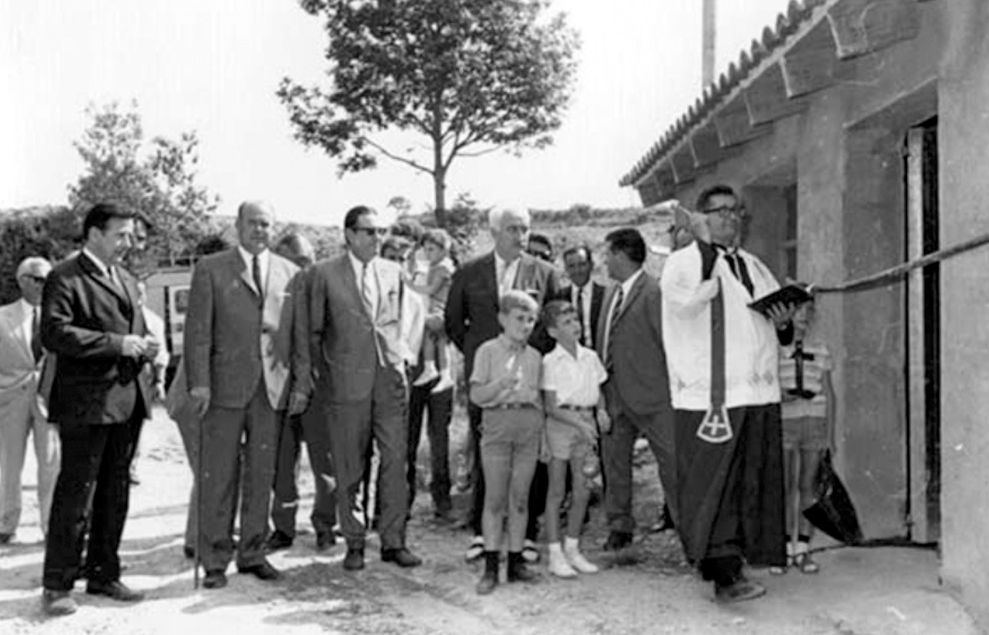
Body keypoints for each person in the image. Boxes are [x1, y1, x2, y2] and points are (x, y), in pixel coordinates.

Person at [660, 184, 793, 603]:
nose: (731, 218)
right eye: (721, 211)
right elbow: (684, 304)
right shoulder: (684, 262)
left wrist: (783, 321)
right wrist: (702, 245)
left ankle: (739, 562)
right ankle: (723, 573)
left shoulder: (754, 264)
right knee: (715, 484)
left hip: (756, 392)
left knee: (749, 482)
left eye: (736, 211)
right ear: (702, 217)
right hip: (710, 397)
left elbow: (770, 324)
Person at [184, 201, 309, 590]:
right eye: (252, 223)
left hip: (271, 388)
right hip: (223, 387)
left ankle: (253, 553)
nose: (259, 230)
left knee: (262, 473)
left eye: (266, 224)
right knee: (219, 475)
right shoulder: (211, 268)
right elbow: (197, 331)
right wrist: (200, 382)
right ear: (237, 226)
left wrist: (301, 383)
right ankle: (214, 559)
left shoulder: (290, 273)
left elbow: (298, 334)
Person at [40, 203, 158, 615]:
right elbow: (55, 333)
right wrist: (117, 344)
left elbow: (132, 330)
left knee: (115, 493)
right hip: (86, 405)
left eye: (130, 235)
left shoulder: (125, 277)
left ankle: (104, 573)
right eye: (120, 235)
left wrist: (144, 346)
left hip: (126, 400)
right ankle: (57, 585)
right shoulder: (65, 276)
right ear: (93, 233)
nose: (128, 243)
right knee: (77, 495)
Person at [445, 206, 564, 563]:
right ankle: (484, 533)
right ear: (494, 232)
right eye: (512, 228)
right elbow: (454, 323)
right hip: (488, 379)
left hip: (530, 381)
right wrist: (483, 354)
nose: (521, 236)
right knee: (486, 453)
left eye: (524, 228)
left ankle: (525, 535)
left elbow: (555, 323)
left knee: (531, 456)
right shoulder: (469, 272)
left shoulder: (544, 273)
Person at [307, 205, 421, 571]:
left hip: (389, 381)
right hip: (345, 386)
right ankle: (354, 542)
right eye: (369, 231)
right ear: (350, 235)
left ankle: (393, 541)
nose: (377, 238)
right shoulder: (324, 274)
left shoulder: (392, 271)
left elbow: (399, 322)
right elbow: (314, 333)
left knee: (395, 462)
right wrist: (324, 379)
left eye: (380, 231)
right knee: (349, 467)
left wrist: (401, 361)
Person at [595, 228, 676, 552]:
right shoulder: (612, 293)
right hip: (613, 395)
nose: (604, 261)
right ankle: (619, 526)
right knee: (614, 464)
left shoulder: (654, 292)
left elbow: (669, 344)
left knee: (671, 463)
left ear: (620, 254)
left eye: (607, 254)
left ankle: (688, 529)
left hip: (653, 396)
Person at [265, 232, 340, 553]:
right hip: (279, 386)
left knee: (325, 462)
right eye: (292, 262)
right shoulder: (270, 293)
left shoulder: (328, 291)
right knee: (282, 462)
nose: (300, 269)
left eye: (305, 261)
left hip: (320, 387)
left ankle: (325, 525)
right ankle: (283, 527)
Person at [469, 290, 543, 594]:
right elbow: (476, 395)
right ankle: (490, 565)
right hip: (498, 424)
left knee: (520, 497)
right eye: (519, 318)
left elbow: (540, 398)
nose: (525, 325)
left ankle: (515, 561)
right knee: (495, 498)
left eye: (531, 320)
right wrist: (499, 385)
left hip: (528, 427)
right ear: (502, 318)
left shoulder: (535, 357)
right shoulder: (488, 351)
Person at [164, 236, 230, 559]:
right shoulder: (210, 298)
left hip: (196, 398)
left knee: (212, 469)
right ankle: (199, 540)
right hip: (195, 399)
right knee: (210, 470)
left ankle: (204, 535)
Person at [381, 236, 455, 524]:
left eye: (402, 257)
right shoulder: (378, 289)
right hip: (405, 371)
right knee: (405, 438)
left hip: (436, 364)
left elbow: (451, 309)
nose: (397, 263)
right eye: (391, 257)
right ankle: (400, 502)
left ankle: (442, 502)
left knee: (439, 436)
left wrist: (444, 322)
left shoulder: (425, 278)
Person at [540, 300, 607, 578]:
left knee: (583, 489)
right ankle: (555, 552)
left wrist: (601, 411)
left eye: (576, 320)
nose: (575, 326)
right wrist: (579, 424)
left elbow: (599, 391)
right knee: (557, 490)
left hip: (586, 422)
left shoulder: (590, 356)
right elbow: (551, 406)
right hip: (562, 424)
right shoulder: (550, 361)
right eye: (566, 323)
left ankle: (573, 548)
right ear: (553, 331)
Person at [772, 300, 834, 575]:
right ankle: (784, 548)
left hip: (814, 420)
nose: (804, 316)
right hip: (786, 420)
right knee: (784, 486)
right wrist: (780, 395)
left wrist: (829, 434)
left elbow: (829, 392)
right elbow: (768, 383)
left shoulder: (820, 348)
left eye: (809, 311)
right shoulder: (775, 347)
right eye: (798, 310)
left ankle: (803, 549)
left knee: (808, 487)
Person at [0, 257, 59, 545]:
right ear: (22, 280)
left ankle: (51, 525)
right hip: (10, 399)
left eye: (49, 279)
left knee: (51, 462)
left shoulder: (60, 317)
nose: (44, 285)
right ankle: (6, 522)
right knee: (9, 463)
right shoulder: (2, 317)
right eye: (38, 279)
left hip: (49, 398)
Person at [128, 280, 169, 485]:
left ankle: (131, 467)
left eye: (141, 293)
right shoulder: (120, 314)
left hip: (143, 375)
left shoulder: (154, 321)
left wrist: (159, 381)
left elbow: (161, 354)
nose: (138, 296)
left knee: (137, 424)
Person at [410, 228, 455, 394]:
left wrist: (411, 286)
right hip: (439, 307)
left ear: (444, 250)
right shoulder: (437, 265)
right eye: (426, 249)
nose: (427, 253)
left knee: (429, 332)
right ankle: (442, 373)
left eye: (431, 249)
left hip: (439, 308)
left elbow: (431, 289)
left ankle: (431, 368)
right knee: (439, 342)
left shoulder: (442, 268)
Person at [561, 245, 604, 350]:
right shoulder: (559, 297)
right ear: (566, 269)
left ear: (591, 265)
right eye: (571, 266)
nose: (577, 270)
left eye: (582, 264)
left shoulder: (605, 296)